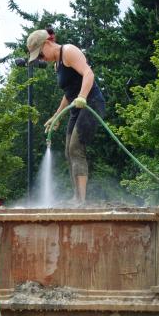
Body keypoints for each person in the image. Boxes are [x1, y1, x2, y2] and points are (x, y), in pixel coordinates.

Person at [27, 28, 105, 204]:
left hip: (91, 103)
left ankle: (80, 200)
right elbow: (68, 92)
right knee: (68, 151)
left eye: (40, 55)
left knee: (75, 148)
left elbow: (88, 73)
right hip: (76, 107)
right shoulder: (57, 64)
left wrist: (83, 96)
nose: (41, 59)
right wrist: (57, 116)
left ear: (47, 43)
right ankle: (76, 197)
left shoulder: (68, 51)